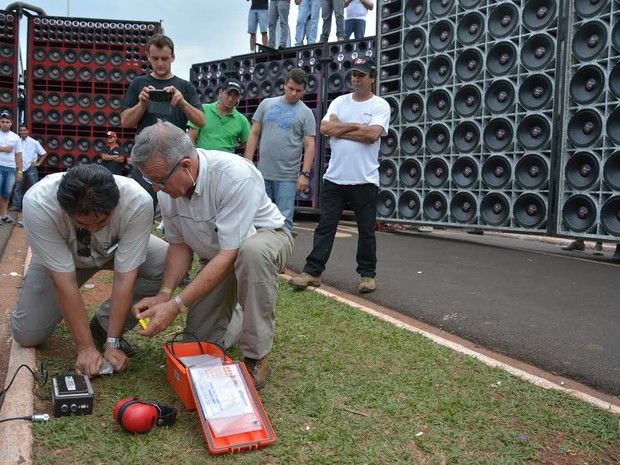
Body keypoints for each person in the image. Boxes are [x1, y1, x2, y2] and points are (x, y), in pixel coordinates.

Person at [130, 121, 294, 390]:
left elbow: (231, 253)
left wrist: (176, 306)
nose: (157, 189)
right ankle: (239, 315)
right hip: (217, 254)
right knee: (196, 346)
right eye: (151, 181)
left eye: (160, 180)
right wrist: (164, 294)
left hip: (265, 239)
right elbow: (179, 245)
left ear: (185, 165)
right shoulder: (169, 190)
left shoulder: (234, 175)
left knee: (251, 253)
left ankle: (256, 354)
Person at [11, 164, 168, 377]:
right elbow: (63, 282)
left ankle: (102, 327)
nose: (94, 229)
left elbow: (125, 278)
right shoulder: (38, 203)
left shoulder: (137, 201)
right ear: (65, 210)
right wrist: (84, 348)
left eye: (102, 222)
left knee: (165, 262)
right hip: (65, 256)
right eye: (83, 224)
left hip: (113, 250)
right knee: (28, 334)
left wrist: (113, 342)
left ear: (116, 204)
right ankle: (57, 314)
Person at [290, 57, 389, 293]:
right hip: (335, 178)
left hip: (364, 179)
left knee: (366, 230)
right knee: (325, 226)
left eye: (362, 75)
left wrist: (342, 127)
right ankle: (313, 272)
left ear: (372, 78)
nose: (356, 79)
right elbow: (324, 129)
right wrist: (355, 126)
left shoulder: (380, 106)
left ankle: (367, 275)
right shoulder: (339, 102)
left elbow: (372, 135)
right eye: (354, 74)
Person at [120, 34, 205, 210]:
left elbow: (201, 121)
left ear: (173, 57)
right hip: (146, 155)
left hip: (176, 157)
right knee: (141, 205)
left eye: (165, 59)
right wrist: (142, 104)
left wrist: (182, 103)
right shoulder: (138, 84)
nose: (160, 63)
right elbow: (125, 122)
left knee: (179, 208)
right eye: (155, 58)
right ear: (148, 57)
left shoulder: (184, 87)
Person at [245, 68, 316, 232]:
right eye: (290, 88)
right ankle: (260, 257)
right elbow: (254, 133)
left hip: (287, 178)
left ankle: (281, 258)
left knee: (284, 221)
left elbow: (309, 145)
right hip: (262, 175)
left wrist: (304, 174)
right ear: (284, 85)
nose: (293, 93)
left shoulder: (306, 113)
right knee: (258, 218)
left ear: (304, 91)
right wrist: (248, 162)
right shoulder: (266, 104)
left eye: (298, 91)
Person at [188, 78, 251, 153]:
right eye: (228, 93)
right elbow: (191, 137)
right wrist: (193, 158)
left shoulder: (242, 120)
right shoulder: (203, 110)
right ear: (220, 93)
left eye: (235, 95)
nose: (231, 98)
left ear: (238, 98)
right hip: (204, 160)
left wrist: (248, 163)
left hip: (227, 162)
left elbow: (249, 146)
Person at [9, 124, 46, 213]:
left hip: (30, 167)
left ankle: (35, 206)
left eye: (24, 130)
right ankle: (16, 205)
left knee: (34, 187)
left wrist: (38, 163)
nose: (22, 132)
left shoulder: (34, 142)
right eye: (21, 131)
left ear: (28, 131)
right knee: (18, 187)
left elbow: (44, 154)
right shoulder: (17, 142)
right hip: (20, 168)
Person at [0, 111, 23, 224]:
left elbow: (19, 155)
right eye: (2, 121)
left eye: (7, 122)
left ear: (11, 123)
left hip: (10, 168)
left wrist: (20, 171)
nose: (4, 124)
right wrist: (2, 149)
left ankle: (4, 215)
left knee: (6, 193)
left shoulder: (16, 137)